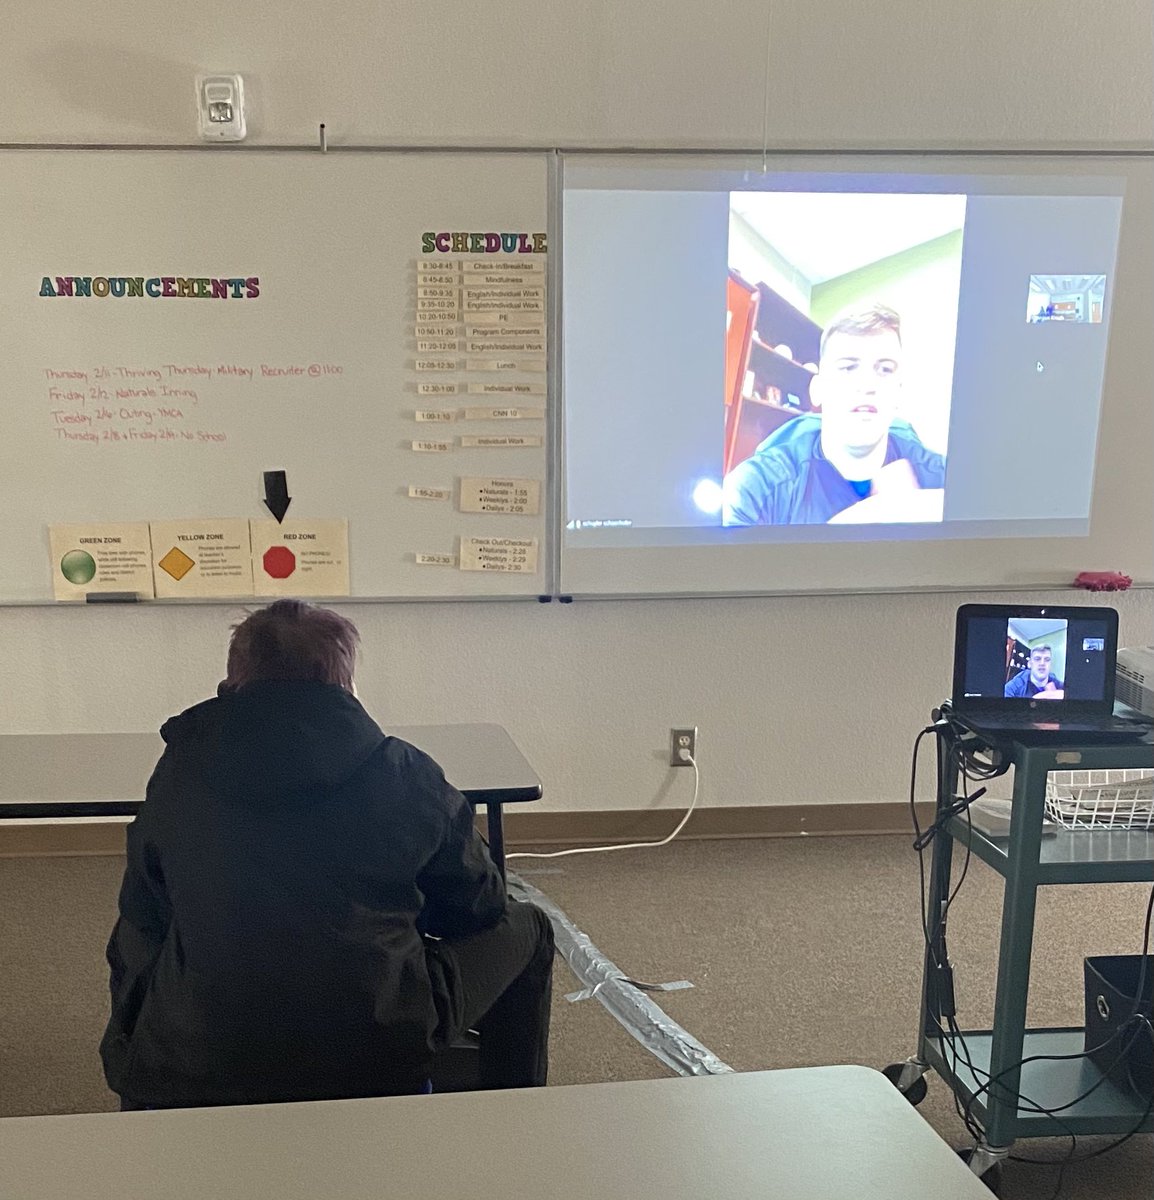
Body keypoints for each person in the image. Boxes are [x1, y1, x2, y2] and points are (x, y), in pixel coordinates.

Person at [101, 599, 553, 1109]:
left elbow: (145, 907)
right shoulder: (405, 773)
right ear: (347, 686)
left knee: (140, 931)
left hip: (197, 1054)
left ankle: (147, 1085)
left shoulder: (181, 768)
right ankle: (516, 1117)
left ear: (231, 683)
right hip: (376, 1049)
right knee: (530, 928)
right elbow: (481, 906)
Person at [722, 303, 946, 526]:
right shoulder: (757, 488)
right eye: (848, 367)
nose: (868, 385)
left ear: (899, 392)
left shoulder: (944, 479)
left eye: (885, 369)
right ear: (817, 390)